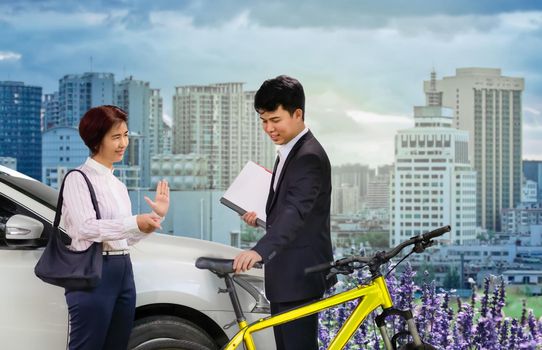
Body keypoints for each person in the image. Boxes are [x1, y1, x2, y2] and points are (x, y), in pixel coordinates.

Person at [233, 75, 336, 350]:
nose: (268, 128)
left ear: (297, 113)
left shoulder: (308, 156)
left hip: (299, 275)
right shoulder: (289, 151)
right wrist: (264, 220)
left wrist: (259, 250)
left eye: (275, 120)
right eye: (263, 121)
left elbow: (295, 212)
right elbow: (292, 209)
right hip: (287, 274)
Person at [62, 105, 170, 350]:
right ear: (96, 139)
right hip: (93, 271)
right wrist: (134, 222)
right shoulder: (78, 179)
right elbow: (85, 229)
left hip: (123, 269)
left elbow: (123, 238)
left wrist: (150, 222)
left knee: (118, 345)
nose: (123, 143)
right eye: (116, 137)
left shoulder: (118, 185)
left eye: (125, 135)